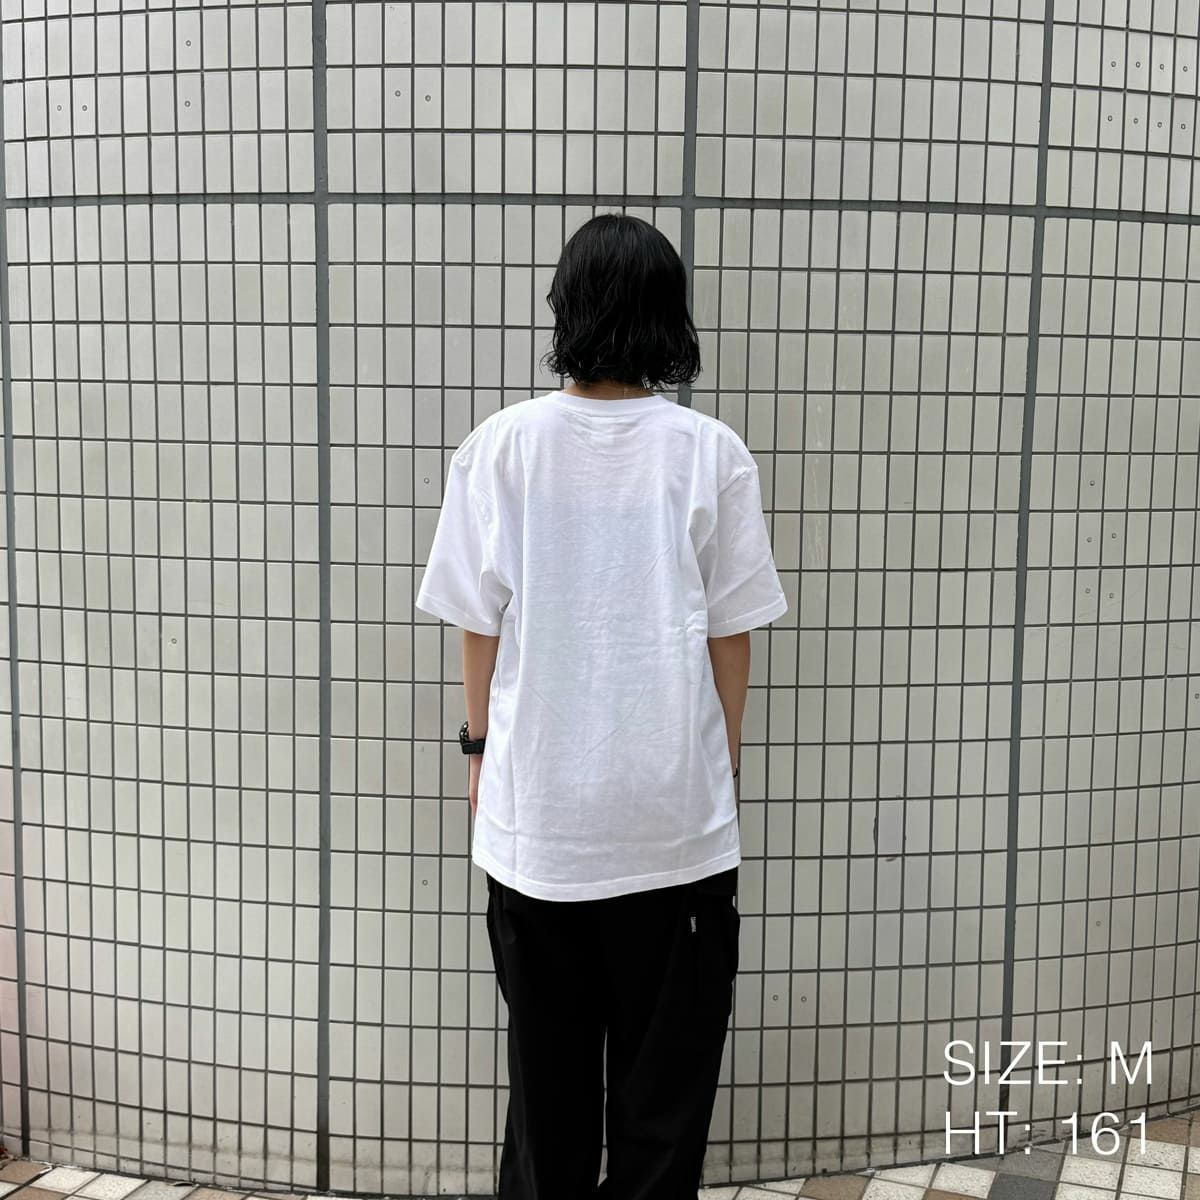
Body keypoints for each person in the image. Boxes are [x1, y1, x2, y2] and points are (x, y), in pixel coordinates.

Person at [414, 212, 789, 1199]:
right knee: (664, 1114)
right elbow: (733, 636)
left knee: (549, 1107)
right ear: (669, 318)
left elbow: (477, 625)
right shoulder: (709, 454)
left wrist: (477, 752)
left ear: (566, 310)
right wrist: (723, 763)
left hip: (538, 827)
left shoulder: (501, 447)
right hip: (673, 829)